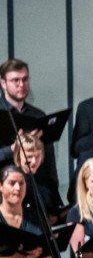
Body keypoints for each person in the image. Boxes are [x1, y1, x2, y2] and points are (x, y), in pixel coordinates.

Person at [0, 59, 60, 193]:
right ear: (3, 83)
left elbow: (49, 159)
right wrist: (13, 148)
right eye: (15, 80)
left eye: (25, 79)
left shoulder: (38, 115)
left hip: (36, 191)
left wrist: (54, 193)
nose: (21, 84)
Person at [0, 166, 53, 258]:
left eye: (21, 183)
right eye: (12, 183)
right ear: (0, 186)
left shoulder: (36, 216)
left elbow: (50, 257)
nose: (17, 188)